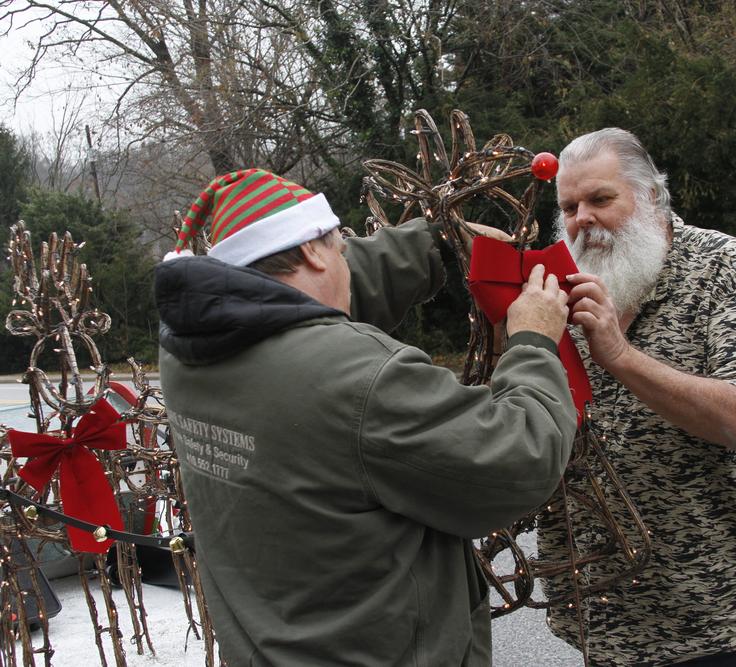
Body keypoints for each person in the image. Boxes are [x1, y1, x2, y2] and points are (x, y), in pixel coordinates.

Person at [154, 168, 577, 666]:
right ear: (312, 250)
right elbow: (521, 456)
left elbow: (303, 304)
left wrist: (436, 244)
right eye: (337, 246)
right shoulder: (363, 378)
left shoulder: (188, 351)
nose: (346, 261)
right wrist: (532, 341)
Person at [542, 129, 736, 666]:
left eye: (600, 199)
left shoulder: (724, 269)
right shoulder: (560, 295)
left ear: (653, 197)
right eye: (569, 207)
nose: (582, 219)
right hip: (616, 619)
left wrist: (618, 356)